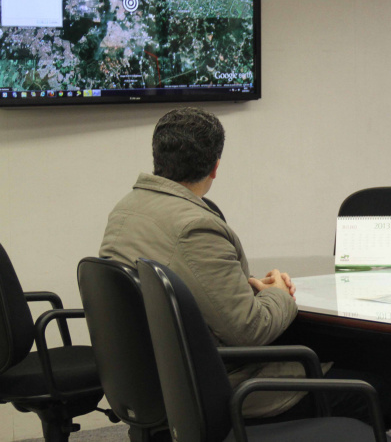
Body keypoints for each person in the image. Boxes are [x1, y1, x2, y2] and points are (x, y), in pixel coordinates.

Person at [99, 107, 304, 419]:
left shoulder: (126, 210)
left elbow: (190, 283)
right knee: (361, 383)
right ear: (215, 167)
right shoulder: (195, 226)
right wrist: (277, 293)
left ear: (158, 156)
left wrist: (248, 287)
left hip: (151, 378)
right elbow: (249, 331)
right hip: (212, 386)